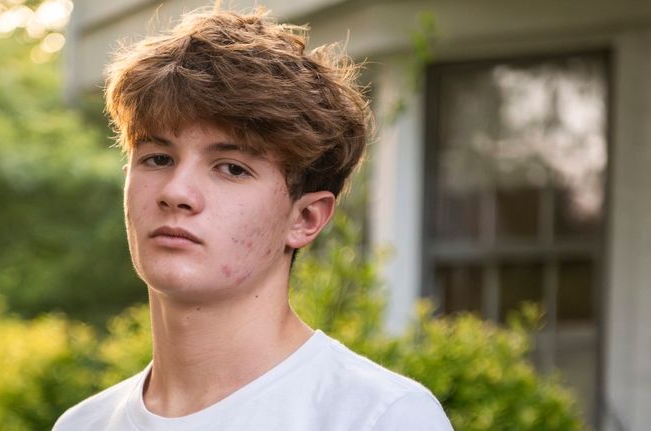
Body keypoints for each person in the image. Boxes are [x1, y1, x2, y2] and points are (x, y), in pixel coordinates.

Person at [54, 5, 453, 431]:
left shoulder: (378, 417)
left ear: (305, 218)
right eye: (158, 158)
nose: (176, 192)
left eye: (231, 168)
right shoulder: (82, 424)